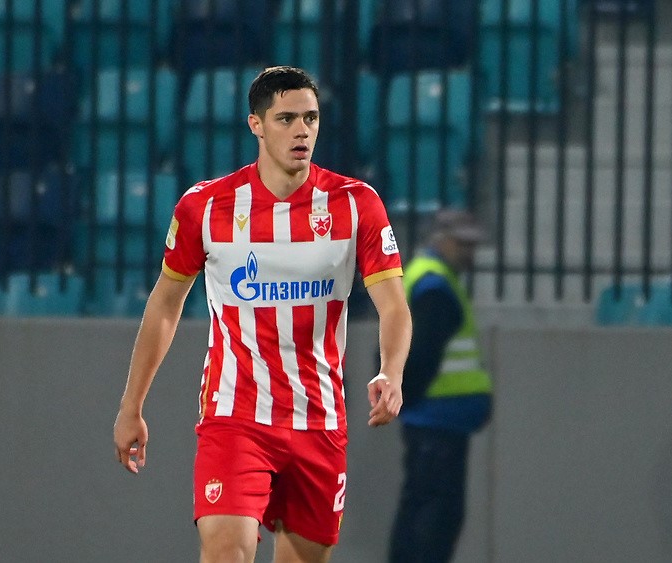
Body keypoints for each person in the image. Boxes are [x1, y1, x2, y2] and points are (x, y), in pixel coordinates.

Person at [113, 66, 412, 563]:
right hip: (236, 418)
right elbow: (165, 303)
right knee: (226, 551)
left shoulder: (355, 204)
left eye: (311, 118)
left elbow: (394, 304)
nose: (302, 131)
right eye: (286, 118)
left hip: (319, 420)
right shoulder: (206, 207)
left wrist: (391, 371)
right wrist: (131, 405)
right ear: (256, 124)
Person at [387, 209, 493, 563]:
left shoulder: (428, 278)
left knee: (423, 507)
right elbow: (421, 355)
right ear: (441, 240)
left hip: (435, 420)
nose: (469, 253)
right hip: (436, 420)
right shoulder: (436, 286)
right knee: (436, 515)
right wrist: (411, 399)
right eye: (462, 244)